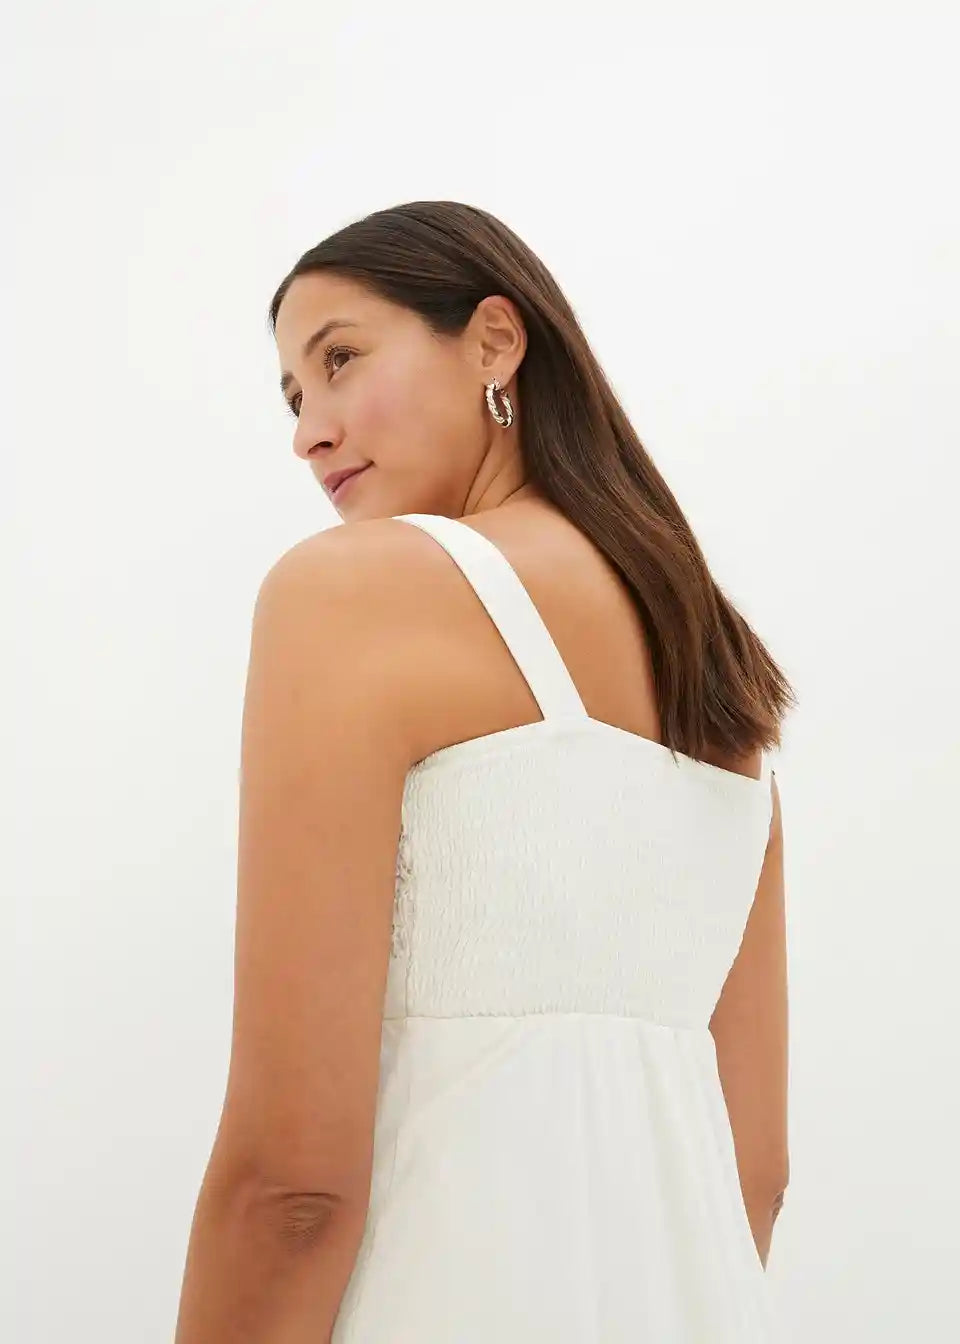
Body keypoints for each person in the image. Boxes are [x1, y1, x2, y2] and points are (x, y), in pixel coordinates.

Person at [174, 200, 795, 1343]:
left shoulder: (350, 593)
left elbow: (291, 1191)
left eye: (340, 359)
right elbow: (754, 1173)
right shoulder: (718, 676)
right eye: (294, 397)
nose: (309, 432)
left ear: (496, 343)